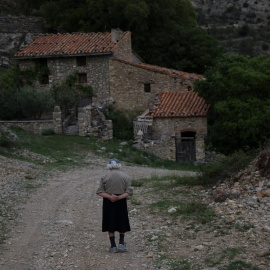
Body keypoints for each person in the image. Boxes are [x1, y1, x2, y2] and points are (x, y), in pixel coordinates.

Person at [96, 158, 133, 253]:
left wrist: (110, 196)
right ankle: (121, 243)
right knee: (122, 221)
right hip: (121, 201)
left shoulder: (104, 176)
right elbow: (129, 192)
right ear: (119, 165)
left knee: (110, 222)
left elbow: (99, 191)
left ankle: (113, 246)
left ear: (109, 166)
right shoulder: (125, 176)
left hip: (108, 202)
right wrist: (119, 197)